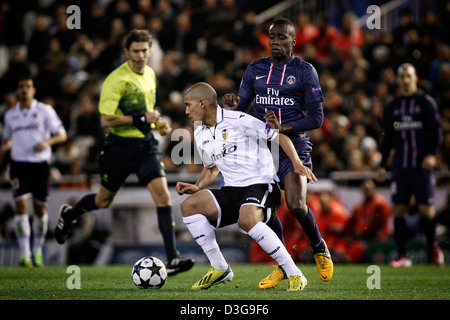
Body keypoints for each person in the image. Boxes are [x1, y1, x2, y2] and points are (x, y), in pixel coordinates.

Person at [54, 29, 193, 275]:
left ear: (151, 51)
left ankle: (172, 258)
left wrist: (157, 123)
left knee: (163, 196)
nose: (141, 55)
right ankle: (71, 213)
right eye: (136, 51)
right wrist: (142, 117)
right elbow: (106, 120)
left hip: (145, 146)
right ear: (127, 52)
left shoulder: (150, 74)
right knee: (103, 200)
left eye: (144, 50)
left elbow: (148, 111)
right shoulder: (116, 80)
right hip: (119, 147)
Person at [222, 18, 333, 288]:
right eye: (272, 37)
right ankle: (284, 265)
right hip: (260, 149)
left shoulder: (305, 71)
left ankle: (319, 246)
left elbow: (317, 118)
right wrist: (230, 105)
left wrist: (285, 127)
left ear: (294, 41)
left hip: (293, 145)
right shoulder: (255, 69)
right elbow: (242, 108)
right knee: (265, 210)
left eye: (282, 37)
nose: (275, 42)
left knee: (295, 204)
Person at [177, 82, 317, 291]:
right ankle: (220, 268)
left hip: (261, 185)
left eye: (189, 105)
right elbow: (212, 169)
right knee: (189, 206)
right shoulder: (200, 133)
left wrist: (297, 163)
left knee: (247, 219)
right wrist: (197, 186)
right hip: (232, 190)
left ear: (203, 103)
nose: (187, 111)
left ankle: (295, 273)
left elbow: (279, 136)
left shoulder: (238, 120)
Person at [378, 63, 444, 267]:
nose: (405, 79)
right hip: (400, 167)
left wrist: (432, 155)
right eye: (402, 76)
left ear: (415, 78)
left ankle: (433, 246)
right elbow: (387, 137)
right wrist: (382, 164)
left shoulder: (426, 103)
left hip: (421, 166)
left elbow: (437, 133)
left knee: (426, 210)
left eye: (409, 76)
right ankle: (402, 255)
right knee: (399, 209)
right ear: (398, 80)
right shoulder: (392, 107)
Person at [0, 75, 67, 267]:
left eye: (28, 86)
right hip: (18, 164)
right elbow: (8, 139)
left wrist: (47, 142)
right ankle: (25, 255)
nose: (24, 90)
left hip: (39, 164)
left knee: (40, 209)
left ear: (33, 90)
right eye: (21, 86)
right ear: (17, 91)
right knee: (20, 207)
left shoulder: (45, 111)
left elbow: (62, 135)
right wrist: (6, 146)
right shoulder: (10, 115)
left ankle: (37, 251)